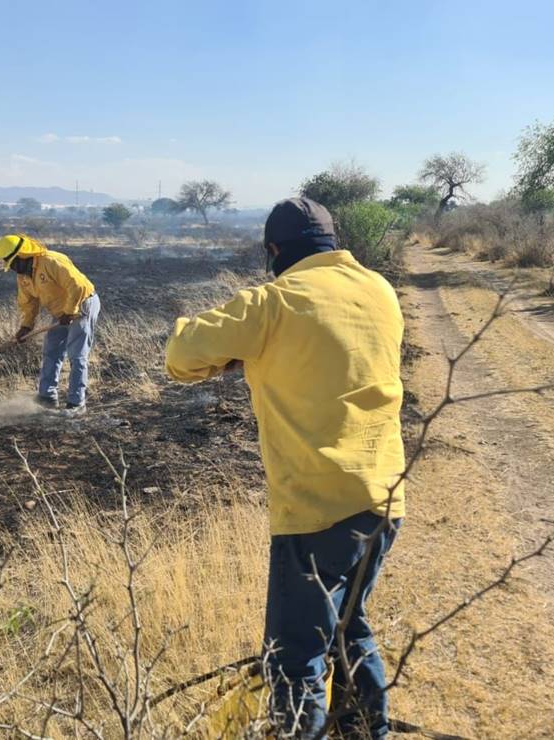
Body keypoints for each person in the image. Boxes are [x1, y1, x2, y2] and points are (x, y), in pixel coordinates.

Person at [164, 198, 405, 738]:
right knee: (349, 631)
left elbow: (181, 354)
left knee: (294, 659)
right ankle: (369, 731)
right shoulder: (379, 291)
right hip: (386, 497)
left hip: (318, 510)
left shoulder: (274, 303)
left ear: (274, 251)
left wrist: (232, 351)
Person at [0, 233, 100, 414]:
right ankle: (47, 397)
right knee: (51, 350)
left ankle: (76, 403)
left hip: (82, 304)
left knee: (77, 354)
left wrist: (70, 311)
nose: (12, 268)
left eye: (13, 262)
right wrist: (26, 327)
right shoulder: (23, 276)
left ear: (23, 255)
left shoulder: (51, 261)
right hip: (62, 312)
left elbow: (78, 286)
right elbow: (28, 303)